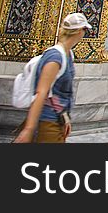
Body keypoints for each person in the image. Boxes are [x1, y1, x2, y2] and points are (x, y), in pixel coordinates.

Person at [14, 12, 91, 143]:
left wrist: (64, 118)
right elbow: (41, 93)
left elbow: (61, 93)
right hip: (47, 120)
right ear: (79, 31)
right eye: (84, 30)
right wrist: (29, 129)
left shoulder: (68, 55)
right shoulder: (55, 58)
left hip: (56, 118)